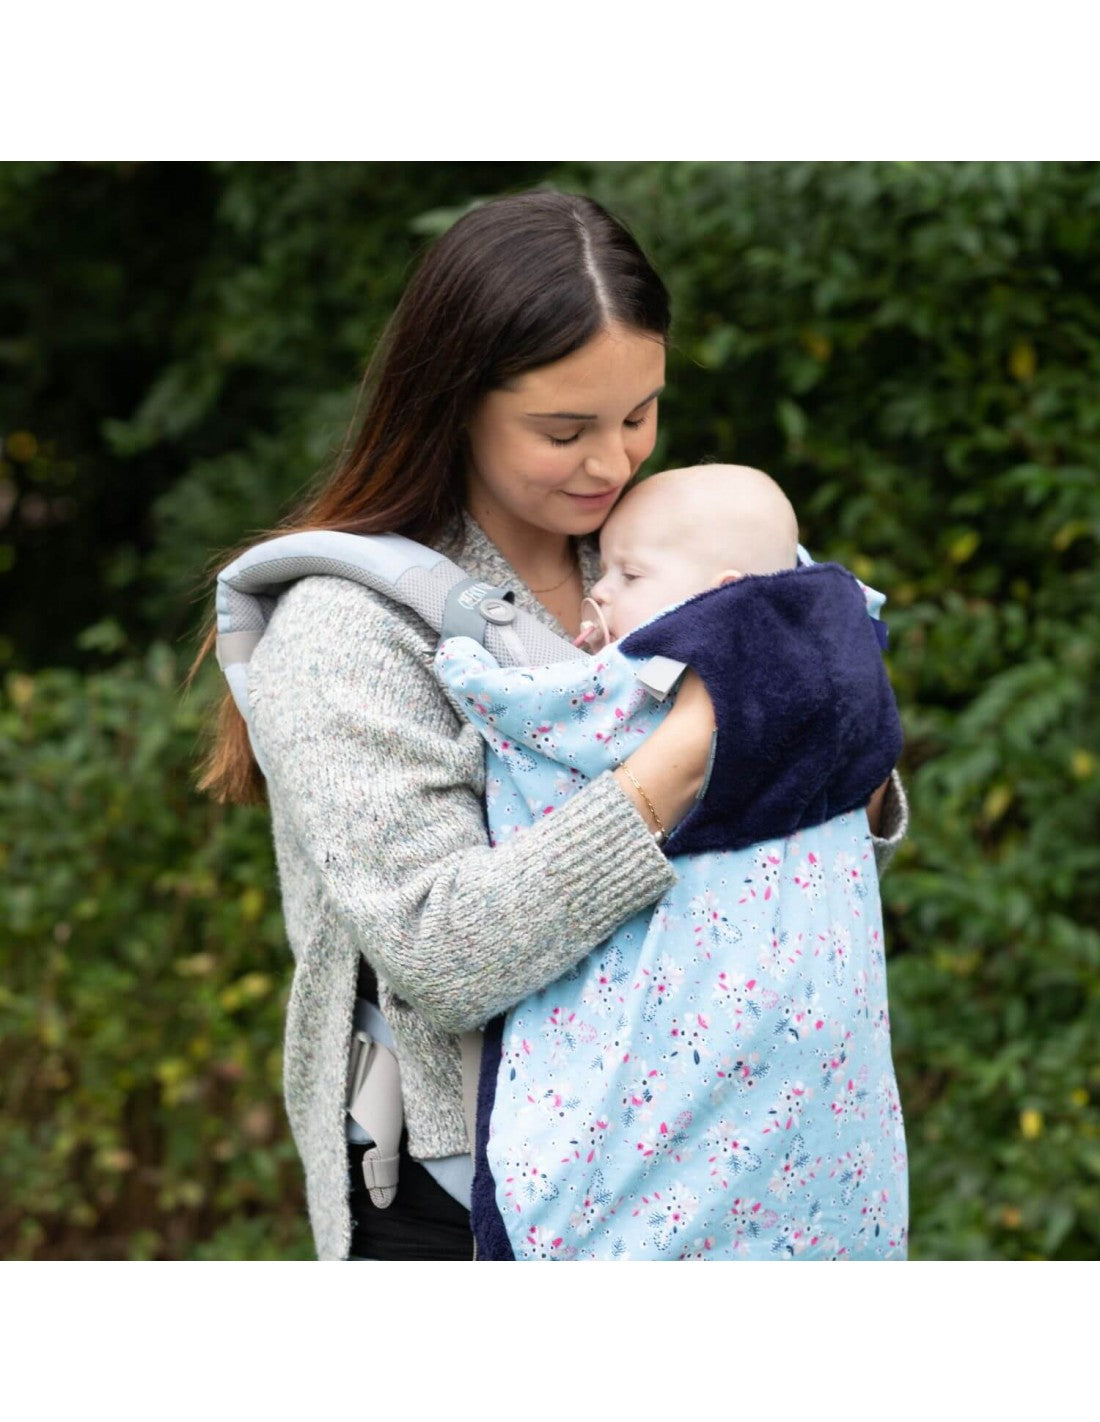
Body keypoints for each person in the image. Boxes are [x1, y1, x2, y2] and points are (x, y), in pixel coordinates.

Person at [197, 190, 908, 1261]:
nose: (613, 463)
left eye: (638, 415)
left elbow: (823, 843)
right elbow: (442, 953)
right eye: (564, 431)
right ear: (453, 403)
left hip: (727, 1155)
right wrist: (688, 759)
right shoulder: (349, 630)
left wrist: (844, 759)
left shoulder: (661, 550)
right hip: (462, 1193)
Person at [435, 463, 907, 1259]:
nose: (600, 592)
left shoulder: (690, 677)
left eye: (627, 575)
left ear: (722, 599)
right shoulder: (831, 653)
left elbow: (546, 724)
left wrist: (465, 666)